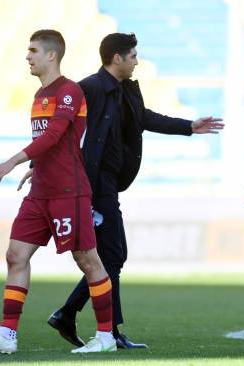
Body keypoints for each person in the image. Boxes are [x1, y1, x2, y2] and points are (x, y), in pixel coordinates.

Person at [45, 32, 224, 349]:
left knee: (112, 255)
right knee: (112, 255)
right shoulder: (90, 88)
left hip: (109, 185)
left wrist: (189, 127)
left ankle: (70, 313)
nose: (137, 61)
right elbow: (62, 130)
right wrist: (42, 166)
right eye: (133, 56)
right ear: (118, 58)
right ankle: (104, 329)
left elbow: (144, 118)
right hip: (93, 186)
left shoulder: (124, 90)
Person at [0, 29, 117, 354]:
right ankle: (7, 334)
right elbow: (54, 144)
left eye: (33, 50)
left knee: (87, 259)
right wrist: (36, 168)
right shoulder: (39, 96)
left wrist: (13, 161)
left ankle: (105, 337)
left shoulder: (69, 91)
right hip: (41, 192)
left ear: (52, 55)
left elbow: (54, 136)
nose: (28, 56)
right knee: (15, 255)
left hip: (68, 192)